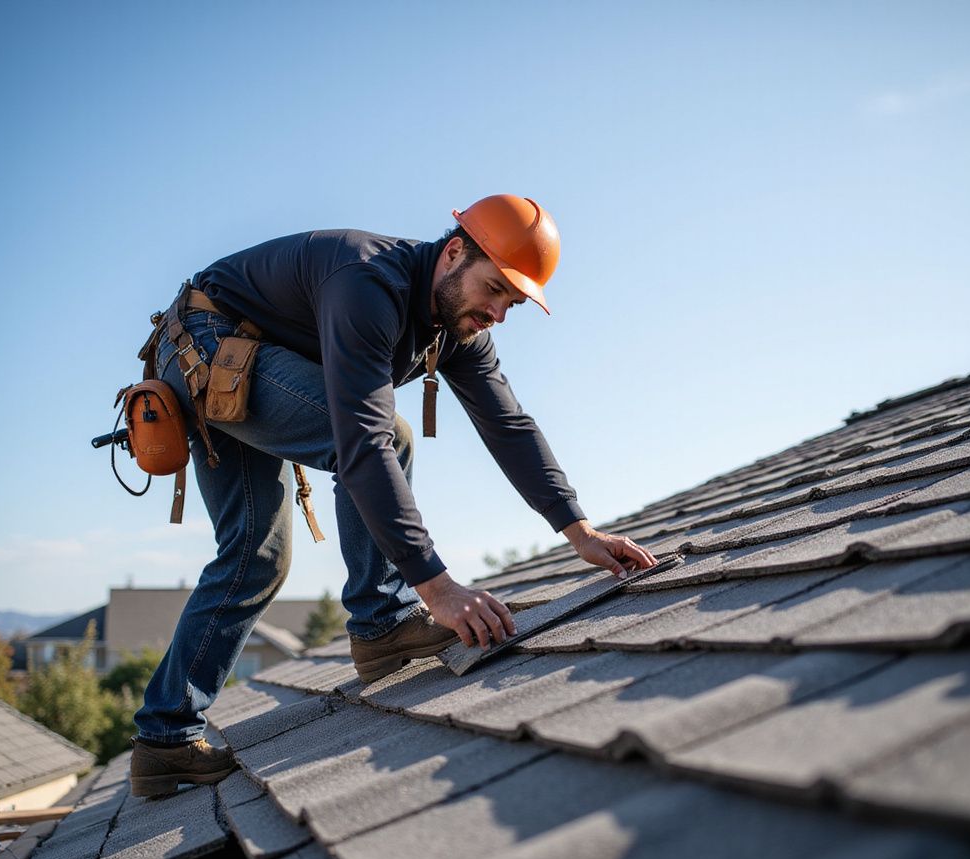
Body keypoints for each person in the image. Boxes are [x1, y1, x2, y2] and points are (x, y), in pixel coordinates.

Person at [129, 195, 657, 797]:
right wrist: (438, 587)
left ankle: (163, 742)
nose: (498, 313)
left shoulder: (459, 324)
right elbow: (360, 442)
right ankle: (383, 619)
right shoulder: (366, 285)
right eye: (493, 291)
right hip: (204, 340)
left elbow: (508, 425)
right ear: (455, 252)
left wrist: (580, 531)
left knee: (257, 556)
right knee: (383, 439)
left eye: (511, 302)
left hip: (254, 351)